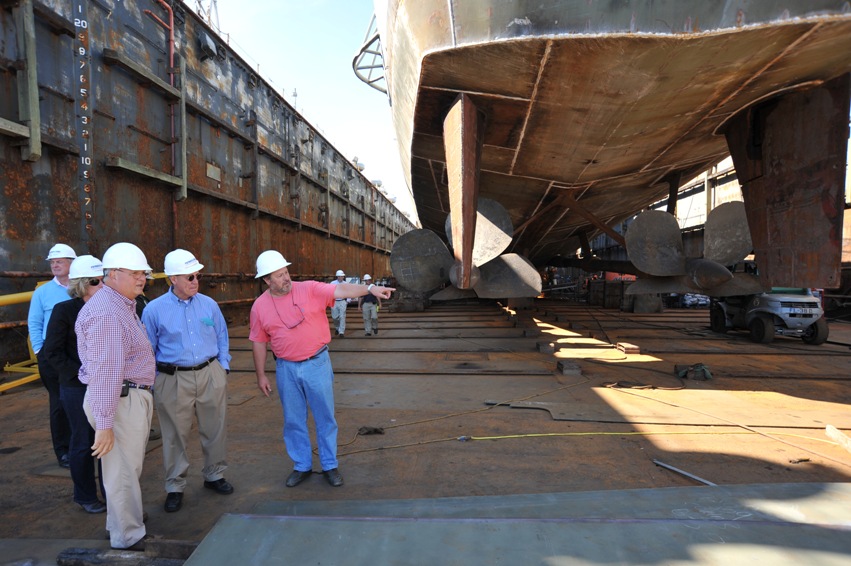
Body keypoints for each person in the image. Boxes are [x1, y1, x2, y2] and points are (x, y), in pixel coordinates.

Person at [249, 251, 394, 488]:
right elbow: (258, 341)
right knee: (293, 420)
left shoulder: (309, 289)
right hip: (285, 368)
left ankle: (329, 464)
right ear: (266, 280)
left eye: (286, 272)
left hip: (316, 363)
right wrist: (261, 375)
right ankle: (301, 465)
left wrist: (369, 290)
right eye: (279, 276)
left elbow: (341, 290)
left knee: (325, 417)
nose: (286, 278)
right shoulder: (259, 307)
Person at [76, 242, 155, 551]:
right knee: (121, 473)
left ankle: (120, 524)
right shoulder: (108, 314)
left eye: (144, 273)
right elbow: (107, 372)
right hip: (119, 401)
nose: (142, 279)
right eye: (135, 273)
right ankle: (127, 538)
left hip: (124, 398)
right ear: (112, 274)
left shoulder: (119, 305)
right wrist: (105, 423)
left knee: (123, 470)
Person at [142, 249, 233, 514]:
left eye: (197, 275)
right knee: (174, 435)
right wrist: (155, 381)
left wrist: (222, 366)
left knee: (215, 427)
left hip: (209, 372)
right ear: (173, 279)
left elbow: (222, 336)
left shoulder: (209, 305)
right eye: (190, 276)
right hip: (172, 378)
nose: (196, 280)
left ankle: (214, 475)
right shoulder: (154, 310)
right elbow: (147, 348)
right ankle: (175, 486)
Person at [42, 255, 107, 514]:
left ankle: (111, 493)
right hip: (76, 387)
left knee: (106, 443)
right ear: (80, 284)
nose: (101, 286)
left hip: (105, 385)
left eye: (103, 281)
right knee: (83, 442)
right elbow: (53, 352)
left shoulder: (109, 309)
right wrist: (82, 374)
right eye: (95, 281)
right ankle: (85, 496)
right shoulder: (64, 311)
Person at [28, 243, 77, 468]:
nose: (55, 265)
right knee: (59, 402)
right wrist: (40, 351)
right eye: (52, 262)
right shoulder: (43, 292)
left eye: (59, 261)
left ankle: (83, 445)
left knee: (80, 399)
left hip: (78, 352)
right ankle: (64, 451)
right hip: (53, 355)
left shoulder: (81, 288)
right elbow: (35, 322)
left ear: (72, 263)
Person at [330, 269, 348, 337]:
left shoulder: (345, 284)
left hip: (342, 301)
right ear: (337, 277)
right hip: (334, 301)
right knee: (335, 317)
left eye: (342, 276)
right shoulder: (332, 283)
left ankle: (341, 332)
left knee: (342, 316)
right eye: (340, 276)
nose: (341, 277)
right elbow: (329, 292)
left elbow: (348, 291)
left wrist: (348, 300)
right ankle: (337, 328)